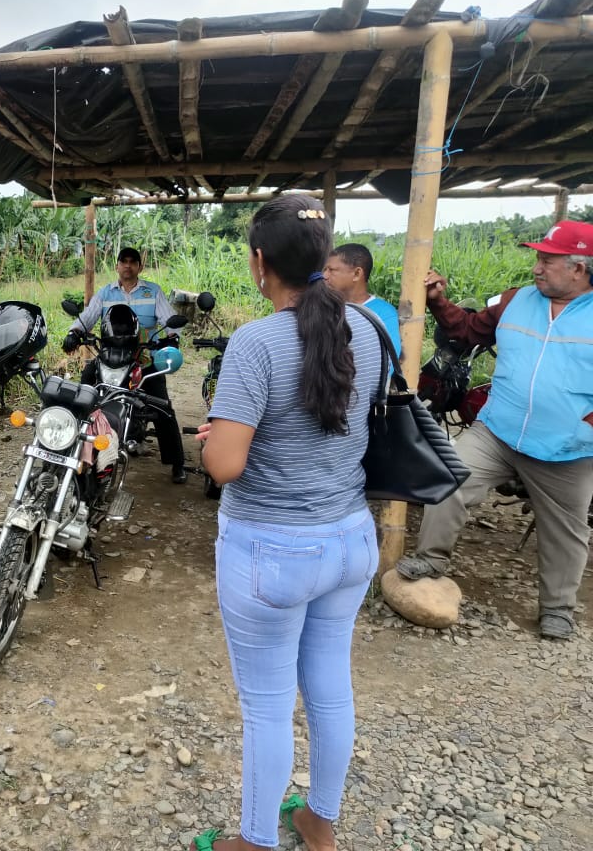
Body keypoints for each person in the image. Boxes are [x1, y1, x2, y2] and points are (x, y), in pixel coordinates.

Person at [189, 196, 382, 851]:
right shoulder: (368, 331)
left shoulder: (257, 342)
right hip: (350, 539)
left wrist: (211, 440)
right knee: (331, 688)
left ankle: (254, 840)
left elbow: (225, 466)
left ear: (259, 262)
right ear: (325, 258)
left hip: (272, 551)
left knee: (267, 707)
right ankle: (319, 823)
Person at [396, 221, 593, 640]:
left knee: (566, 531)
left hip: (566, 448)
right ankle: (431, 559)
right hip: (498, 431)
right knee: (449, 478)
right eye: (538, 259)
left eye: (547, 261)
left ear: (579, 269)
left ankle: (557, 609)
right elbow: (467, 331)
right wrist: (439, 302)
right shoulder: (514, 300)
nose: (537, 268)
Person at [62, 247, 188, 483]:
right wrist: (74, 332)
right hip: (109, 357)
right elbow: (87, 317)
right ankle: (70, 446)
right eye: (123, 261)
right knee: (83, 394)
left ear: (139, 266)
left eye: (132, 261)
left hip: (143, 358)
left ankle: (177, 462)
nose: (127, 265)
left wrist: (171, 337)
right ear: (117, 265)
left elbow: (171, 321)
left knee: (162, 407)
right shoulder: (105, 293)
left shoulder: (153, 291)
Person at [323, 242, 402, 357]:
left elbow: (391, 357)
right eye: (324, 270)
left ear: (357, 274)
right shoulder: (325, 307)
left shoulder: (383, 313)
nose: (324, 276)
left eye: (331, 270)